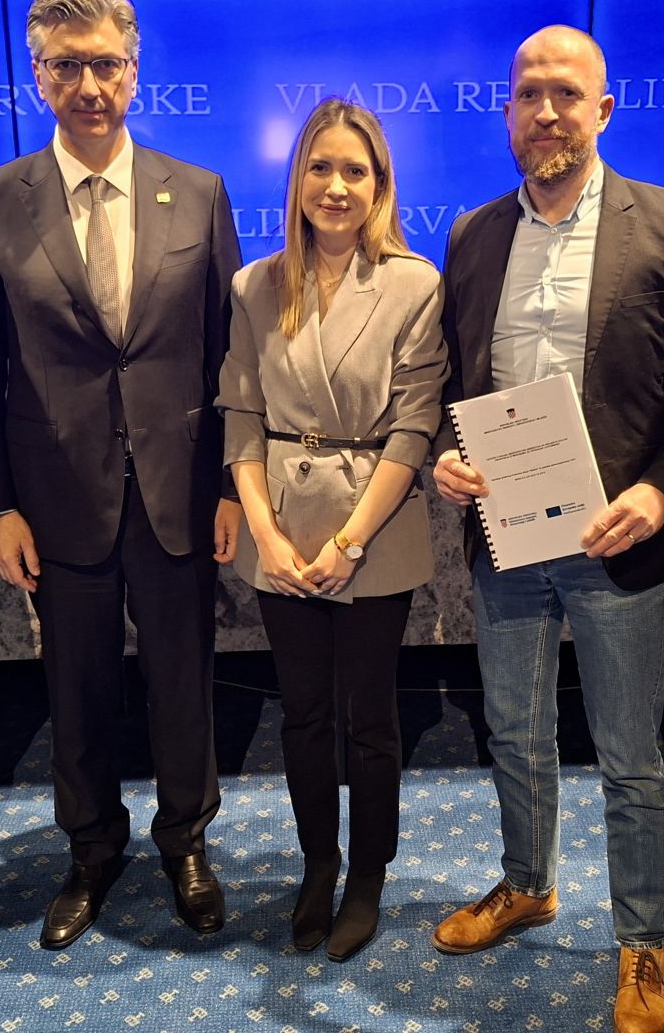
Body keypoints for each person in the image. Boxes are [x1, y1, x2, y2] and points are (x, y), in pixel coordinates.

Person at [429, 25, 664, 1033]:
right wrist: (447, 455)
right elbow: (457, 383)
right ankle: (527, 885)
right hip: (507, 536)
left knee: (628, 755)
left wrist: (661, 493)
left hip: (617, 541)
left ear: (603, 108)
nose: (546, 111)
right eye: (529, 94)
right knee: (514, 731)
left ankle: (641, 939)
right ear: (508, 112)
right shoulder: (473, 235)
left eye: (566, 93)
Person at [0, 0, 243, 949]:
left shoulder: (198, 192)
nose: (89, 85)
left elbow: (227, 355)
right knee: (75, 692)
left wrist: (230, 484)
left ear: (135, 70)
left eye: (106, 64)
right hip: (54, 499)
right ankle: (91, 850)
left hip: (177, 492)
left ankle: (185, 840)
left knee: (182, 683)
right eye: (67, 66)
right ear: (37, 76)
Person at [215, 99, 447, 962]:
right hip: (281, 522)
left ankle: (368, 876)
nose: (337, 186)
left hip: (373, 524)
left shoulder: (415, 283)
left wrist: (349, 543)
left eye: (356, 170)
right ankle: (320, 863)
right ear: (297, 180)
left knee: (370, 719)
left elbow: (415, 428)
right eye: (321, 168)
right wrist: (267, 535)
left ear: (380, 184)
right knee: (304, 715)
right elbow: (241, 416)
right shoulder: (254, 285)